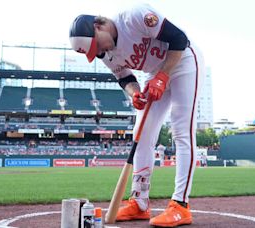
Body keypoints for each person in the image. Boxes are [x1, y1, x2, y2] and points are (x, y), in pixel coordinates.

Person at [69, 4, 205, 227]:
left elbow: (179, 39)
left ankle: (181, 205)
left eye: (96, 44)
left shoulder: (134, 17)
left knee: (182, 131)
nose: (99, 51)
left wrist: (163, 76)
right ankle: (139, 202)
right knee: (140, 136)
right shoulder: (105, 53)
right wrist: (134, 94)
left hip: (183, 61)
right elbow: (124, 77)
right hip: (154, 73)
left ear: (99, 25)